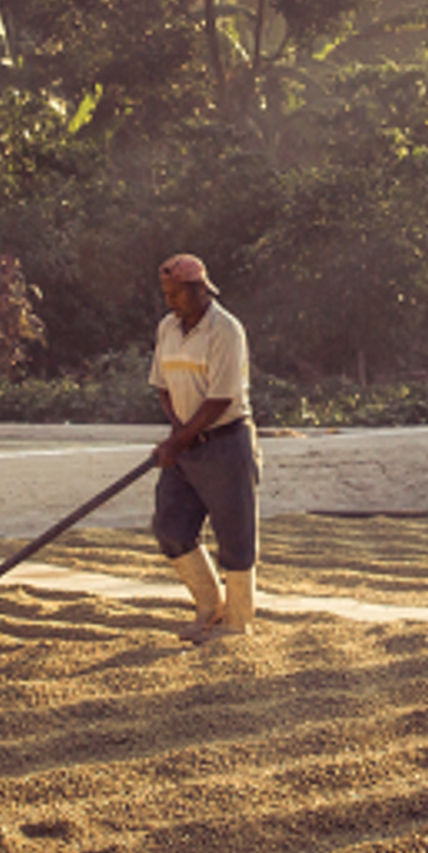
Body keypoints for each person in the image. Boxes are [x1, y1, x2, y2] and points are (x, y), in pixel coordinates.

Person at [148, 252, 258, 642]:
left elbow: (220, 399)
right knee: (170, 527)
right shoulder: (168, 328)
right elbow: (162, 385)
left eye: (176, 294)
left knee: (235, 533)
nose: (170, 301)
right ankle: (210, 607)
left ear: (198, 290)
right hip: (186, 444)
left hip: (225, 442)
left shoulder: (225, 330)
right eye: (166, 293)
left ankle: (238, 622)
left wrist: (179, 439)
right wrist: (178, 432)